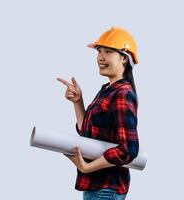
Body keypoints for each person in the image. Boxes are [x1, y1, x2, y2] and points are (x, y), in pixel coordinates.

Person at [57, 26, 139, 200]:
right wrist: (78, 102)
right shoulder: (108, 90)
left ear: (124, 59)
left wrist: (87, 167)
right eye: (99, 51)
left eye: (108, 51)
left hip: (106, 189)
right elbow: (88, 134)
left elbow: (129, 150)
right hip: (98, 187)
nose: (100, 57)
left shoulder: (122, 94)